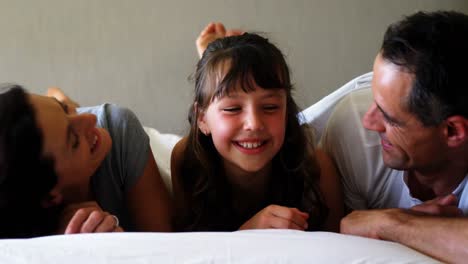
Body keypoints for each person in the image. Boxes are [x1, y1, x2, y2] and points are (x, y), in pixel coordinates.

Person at [318, 11, 468, 262]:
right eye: (375, 100)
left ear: (452, 132)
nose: (369, 121)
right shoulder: (353, 128)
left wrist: (391, 223)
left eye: (389, 117)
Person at [171, 31, 343, 232]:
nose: (253, 124)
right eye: (232, 109)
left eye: (270, 107)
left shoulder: (314, 165)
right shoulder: (188, 160)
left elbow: (339, 251)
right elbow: (187, 250)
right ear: (202, 119)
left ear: (287, 110)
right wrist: (248, 234)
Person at [0, 84, 172, 238]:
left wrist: (121, 240)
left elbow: (165, 245)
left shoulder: (117, 126)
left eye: (65, 109)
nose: (91, 119)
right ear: (50, 197)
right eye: (74, 141)